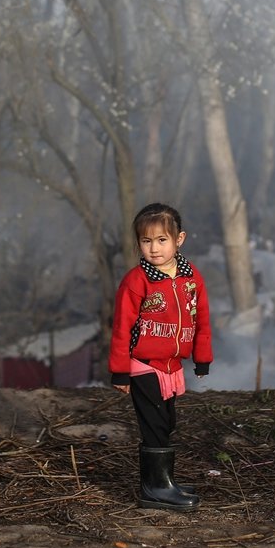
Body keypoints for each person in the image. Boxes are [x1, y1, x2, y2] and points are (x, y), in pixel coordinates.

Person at [109, 202, 212, 512]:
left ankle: (163, 479)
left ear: (179, 239)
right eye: (146, 241)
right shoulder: (137, 281)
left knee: (166, 423)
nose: (154, 249)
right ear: (139, 242)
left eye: (162, 240)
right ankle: (154, 489)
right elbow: (121, 328)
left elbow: (202, 320)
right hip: (143, 365)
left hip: (171, 366)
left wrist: (202, 358)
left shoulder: (191, 277)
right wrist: (120, 371)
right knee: (154, 425)